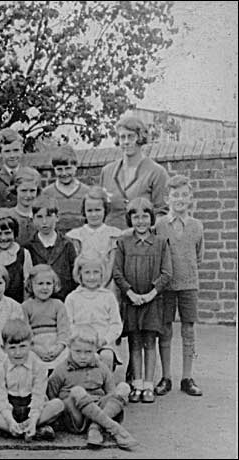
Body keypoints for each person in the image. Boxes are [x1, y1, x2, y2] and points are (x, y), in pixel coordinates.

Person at [112, 197, 172, 404]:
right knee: (135, 343)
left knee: (150, 342)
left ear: (151, 218)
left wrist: (150, 295)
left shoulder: (161, 243)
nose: (140, 221)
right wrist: (131, 294)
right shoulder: (123, 243)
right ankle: (136, 384)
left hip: (152, 301)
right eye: (135, 217)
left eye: (145, 216)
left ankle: (148, 384)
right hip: (132, 301)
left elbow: (166, 274)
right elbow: (117, 273)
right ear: (130, 219)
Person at [46, 326, 138, 449]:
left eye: (88, 352)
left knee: (124, 387)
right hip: (76, 417)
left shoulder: (102, 368)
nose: (83, 356)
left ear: (95, 350)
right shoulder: (61, 370)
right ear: (70, 349)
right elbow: (52, 395)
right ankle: (114, 429)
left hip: (99, 409)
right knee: (77, 391)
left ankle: (95, 427)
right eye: (78, 351)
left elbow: (111, 394)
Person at [154, 174, 204, 397]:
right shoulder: (160, 226)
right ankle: (166, 377)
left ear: (191, 198)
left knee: (188, 329)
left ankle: (187, 377)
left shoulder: (197, 226)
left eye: (185, 195)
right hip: (166, 286)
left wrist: (187, 273)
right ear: (167, 199)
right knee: (165, 329)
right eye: (175, 195)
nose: (180, 199)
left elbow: (199, 256)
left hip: (189, 284)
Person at [0, 319, 63, 441]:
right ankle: (20, 429)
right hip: (9, 408)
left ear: (31, 345)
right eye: (12, 347)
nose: (18, 352)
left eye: (23, 346)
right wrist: (10, 421)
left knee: (58, 405)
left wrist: (33, 420)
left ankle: (23, 428)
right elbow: (0, 399)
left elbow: (38, 397)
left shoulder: (39, 367)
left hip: (30, 407)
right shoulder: (0, 369)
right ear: (3, 348)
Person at [100, 115, 169, 230]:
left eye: (131, 137)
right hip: (112, 240)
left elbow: (162, 213)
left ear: (140, 138)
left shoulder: (156, 172)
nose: (126, 142)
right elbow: (101, 208)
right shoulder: (107, 172)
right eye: (122, 137)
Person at [65, 254, 123, 371]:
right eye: (87, 273)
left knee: (106, 356)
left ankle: (105, 386)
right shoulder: (73, 298)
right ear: (79, 274)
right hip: (79, 343)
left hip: (102, 344)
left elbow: (116, 324)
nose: (91, 277)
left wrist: (105, 339)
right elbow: (68, 324)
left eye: (96, 272)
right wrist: (78, 339)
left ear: (102, 274)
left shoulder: (108, 297)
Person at [65, 186, 122, 291]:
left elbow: (112, 265)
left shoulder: (114, 235)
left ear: (105, 210)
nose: (94, 214)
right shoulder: (76, 236)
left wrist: (102, 286)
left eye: (98, 210)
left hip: (108, 287)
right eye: (90, 211)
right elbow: (77, 266)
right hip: (84, 286)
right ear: (84, 211)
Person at [24, 196, 78, 301]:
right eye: (39, 217)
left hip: (64, 299)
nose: (44, 222)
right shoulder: (28, 247)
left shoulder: (67, 245)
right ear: (33, 219)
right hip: (37, 301)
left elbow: (74, 276)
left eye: (49, 216)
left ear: (57, 217)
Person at [21, 264, 71, 372]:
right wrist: (35, 349)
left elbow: (64, 329)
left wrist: (59, 347)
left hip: (55, 344)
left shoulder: (58, 305)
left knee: (67, 359)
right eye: (40, 284)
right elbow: (25, 332)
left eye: (48, 283)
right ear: (31, 285)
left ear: (54, 285)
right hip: (35, 346)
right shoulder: (26, 306)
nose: (44, 287)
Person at [0, 210, 33, 303]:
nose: (3, 238)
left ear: (15, 232)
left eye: (7, 233)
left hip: (17, 307)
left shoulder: (24, 254)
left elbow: (27, 286)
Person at [41, 145, 89, 235]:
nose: (64, 173)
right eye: (59, 169)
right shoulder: (47, 193)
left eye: (68, 168)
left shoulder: (87, 192)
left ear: (76, 167)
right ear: (53, 169)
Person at [3, 166, 41, 247]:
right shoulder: (7, 216)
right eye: (23, 190)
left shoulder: (41, 216)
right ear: (16, 190)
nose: (28, 195)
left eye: (32, 190)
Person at [0, 128, 24, 210]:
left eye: (16, 150)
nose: (12, 155)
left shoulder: (31, 176)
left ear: (22, 150)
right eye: (7, 151)